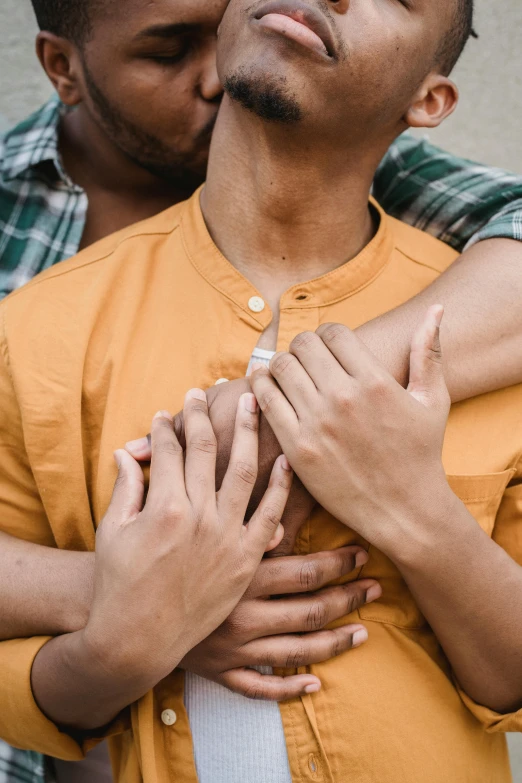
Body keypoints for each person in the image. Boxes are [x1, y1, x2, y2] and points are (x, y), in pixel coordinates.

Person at [1, 1, 522, 783]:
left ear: (430, 101)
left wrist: (414, 508)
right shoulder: (36, 327)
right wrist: (126, 632)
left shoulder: (486, 325)